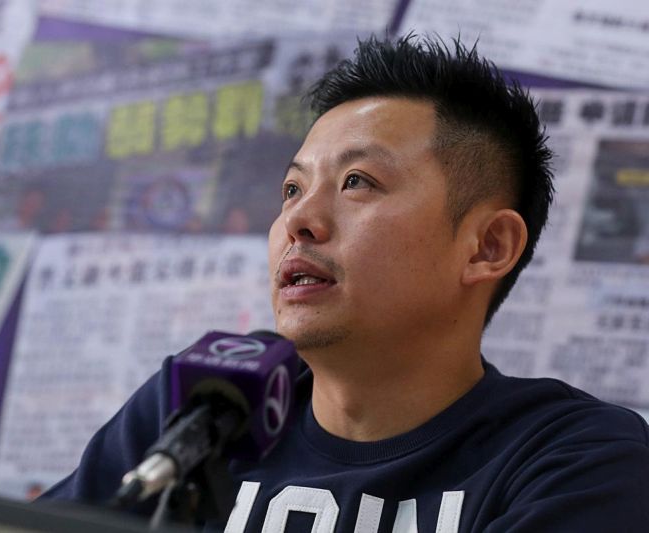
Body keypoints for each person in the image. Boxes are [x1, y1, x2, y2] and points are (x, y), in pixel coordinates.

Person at [41, 35, 649, 531]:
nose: (297, 222)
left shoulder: (577, 459)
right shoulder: (209, 407)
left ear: (488, 247)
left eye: (357, 181)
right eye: (291, 189)